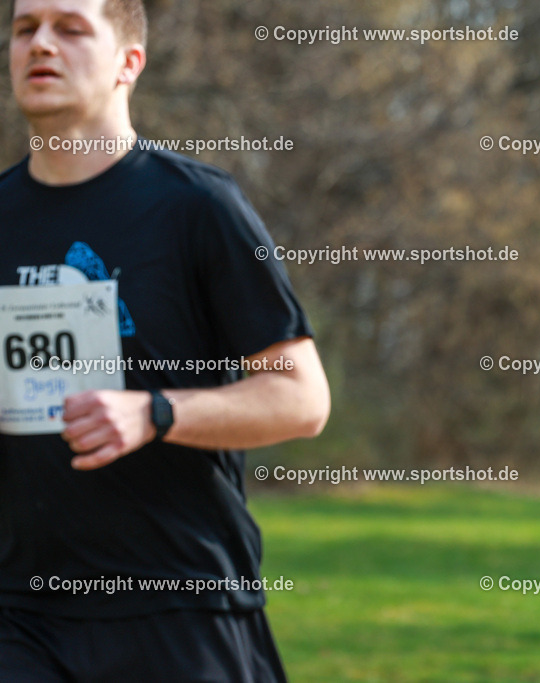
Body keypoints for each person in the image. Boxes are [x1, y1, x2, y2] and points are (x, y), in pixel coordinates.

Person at [0, 0, 331, 680]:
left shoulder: (198, 207)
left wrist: (155, 412)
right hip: (21, 611)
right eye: (24, 27)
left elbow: (302, 399)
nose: (40, 45)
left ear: (130, 61)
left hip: (178, 598)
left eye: (69, 28)